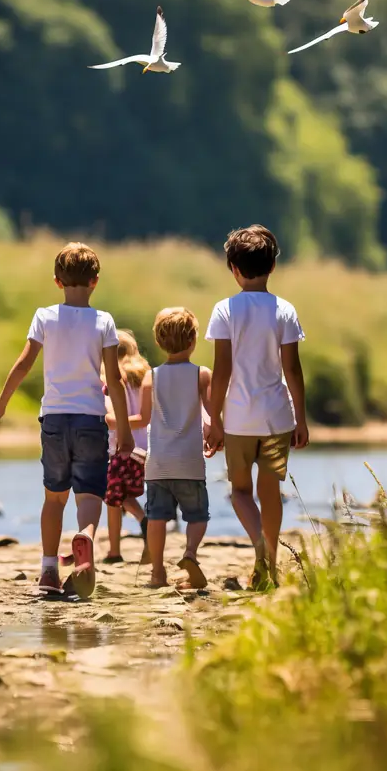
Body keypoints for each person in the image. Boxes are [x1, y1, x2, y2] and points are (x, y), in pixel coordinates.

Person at [0, 242, 133, 598]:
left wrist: (1, 403)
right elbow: (113, 379)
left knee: (54, 498)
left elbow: (23, 364)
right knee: (90, 495)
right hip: (90, 420)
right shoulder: (104, 321)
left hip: (54, 418)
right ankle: (86, 534)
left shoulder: (45, 316)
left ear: (57, 281)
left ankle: (49, 569)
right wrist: (125, 430)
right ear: (95, 281)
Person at [204, 225, 309, 589]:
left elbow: (222, 371)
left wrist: (214, 420)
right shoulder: (284, 310)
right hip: (278, 418)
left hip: (238, 419)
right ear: (273, 267)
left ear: (233, 269)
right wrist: (302, 418)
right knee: (270, 493)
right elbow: (292, 369)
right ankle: (272, 564)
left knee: (239, 491)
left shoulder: (224, 310)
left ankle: (260, 548)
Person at [132, 307, 211, 590]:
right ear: (193, 341)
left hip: (159, 463)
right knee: (198, 515)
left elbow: (141, 419)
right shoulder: (202, 375)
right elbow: (212, 414)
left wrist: (113, 419)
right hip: (190, 462)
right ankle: (190, 554)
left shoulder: (151, 376)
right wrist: (215, 434)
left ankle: (157, 573)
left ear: (158, 341)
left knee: (156, 518)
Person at [103, 330, 150, 564]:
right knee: (123, 495)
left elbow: (110, 415)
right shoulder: (144, 376)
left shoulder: (111, 377)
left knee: (113, 497)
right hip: (143, 447)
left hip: (119, 446)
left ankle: (116, 549)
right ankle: (142, 524)